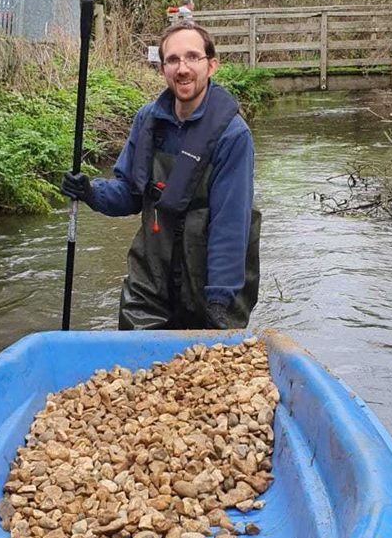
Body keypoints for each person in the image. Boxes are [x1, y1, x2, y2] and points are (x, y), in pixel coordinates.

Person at [60, 20, 260, 331]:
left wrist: (219, 299)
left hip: (211, 276)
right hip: (151, 274)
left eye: (193, 57)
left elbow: (230, 224)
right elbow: (130, 194)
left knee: (204, 374)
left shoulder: (233, 135)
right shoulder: (147, 121)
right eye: (173, 60)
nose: (183, 68)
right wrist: (91, 192)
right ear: (163, 67)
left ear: (212, 65)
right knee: (133, 368)